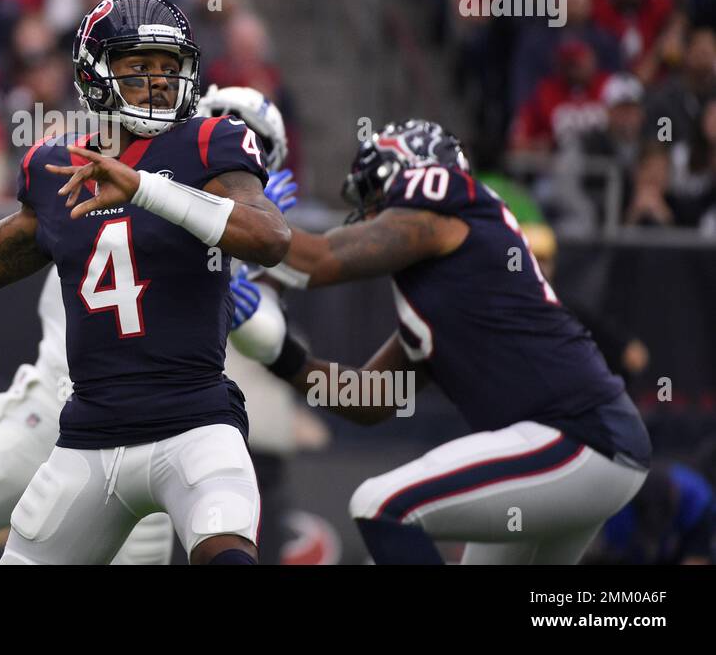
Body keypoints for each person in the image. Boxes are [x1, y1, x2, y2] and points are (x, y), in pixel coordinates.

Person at [0, 0, 290, 564]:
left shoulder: (209, 142)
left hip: (193, 421)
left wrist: (145, 189)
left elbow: (271, 237)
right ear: (95, 73)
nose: (159, 83)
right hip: (88, 434)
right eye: (139, 69)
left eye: (169, 69)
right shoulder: (58, 165)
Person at [266, 119, 651, 564]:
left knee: (383, 505)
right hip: (581, 450)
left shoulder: (442, 194)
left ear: (411, 173)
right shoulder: (452, 286)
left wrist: (237, 220)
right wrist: (283, 358)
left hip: (578, 436)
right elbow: (369, 398)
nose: (368, 215)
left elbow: (321, 260)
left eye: (373, 193)